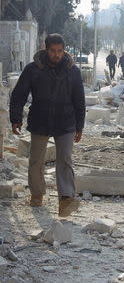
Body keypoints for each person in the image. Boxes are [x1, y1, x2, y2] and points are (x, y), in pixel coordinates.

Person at [9, 34, 86, 217]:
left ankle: (66, 199)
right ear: (46, 49)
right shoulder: (33, 69)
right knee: (36, 160)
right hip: (40, 120)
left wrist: (80, 126)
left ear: (64, 50)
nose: (56, 55)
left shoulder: (72, 71)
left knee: (65, 160)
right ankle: (37, 194)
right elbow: (19, 95)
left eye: (60, 51)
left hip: (66, 122)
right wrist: (16, 118)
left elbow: (79, 100)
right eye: (53, 51)